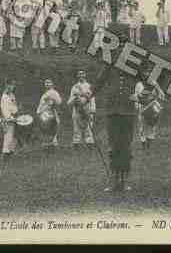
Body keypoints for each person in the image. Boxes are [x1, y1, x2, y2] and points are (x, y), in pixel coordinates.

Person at [92, 32, 138, 192]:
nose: (122, 49)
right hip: (112, 109)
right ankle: (113, 180)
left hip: (128, 110)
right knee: (113, 145)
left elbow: (148, 83)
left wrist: (142, 95)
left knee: (126, 146)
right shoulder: (108, 64)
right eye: (119, 46)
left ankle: (124, 180)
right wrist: (86, 98)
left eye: (125, 46)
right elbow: (99, 82)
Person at [135, 68, 165, 150]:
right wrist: (137, 105)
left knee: (152, 125)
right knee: (142, 125)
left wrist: (159, 100)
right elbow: (136, 95)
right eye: (144, 72)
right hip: (143, 106)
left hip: (153, 106)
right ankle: (143, 142)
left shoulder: (154, 83)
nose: (146, 74)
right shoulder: (139, 84)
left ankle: (149, 142)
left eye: (148, 72)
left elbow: (161, 94)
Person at [68, 70, 96, 149]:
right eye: (79, 74)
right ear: (77, 76)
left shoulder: (89, 86)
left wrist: (93, 109)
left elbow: (92, 98)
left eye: (82, 73)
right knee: (77, 127)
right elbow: (70, 99)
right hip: (77, 108)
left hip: (87, 107)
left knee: (88, 127)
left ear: (85, 75)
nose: (81, 75)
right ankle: (76, 143)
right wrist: (75, 98)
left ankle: (89, 143)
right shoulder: (74, 87)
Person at [37, 79, 63, 148]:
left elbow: (59, 102)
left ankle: (53, 144)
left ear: (52, 84)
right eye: (46, 83)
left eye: (49, 82)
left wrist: (52, 100)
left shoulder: (54, 92)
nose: (47, 84)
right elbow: (41, 104)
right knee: (45, 129)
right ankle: (46, 144)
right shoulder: (45, 93)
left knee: (52, 128)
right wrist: (39, 112)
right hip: (44, 113)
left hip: (51, 112)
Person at [0, 78, 19, 163]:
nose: (12, 87)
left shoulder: (12, 95)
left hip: (14, 118)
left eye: (13, 85)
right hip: (8, 119)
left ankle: (10, 155)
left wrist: (16, 113)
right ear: (6, 85)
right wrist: (10, 118)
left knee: (13, 138)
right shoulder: (4, 96)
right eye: (10, 85)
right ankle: (5, 158)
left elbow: (14, 106)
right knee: (8, 137)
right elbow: (4, 109)